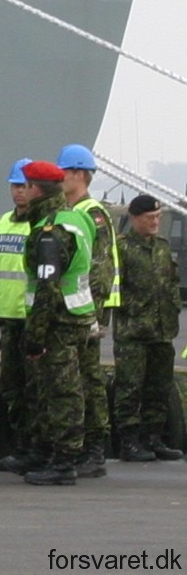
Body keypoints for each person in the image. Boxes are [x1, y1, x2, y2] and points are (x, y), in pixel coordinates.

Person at [17, 160, 97, 486]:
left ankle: (64, 461)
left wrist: (34, 335)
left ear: (36, 190)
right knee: (67, 388)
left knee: (62, 391)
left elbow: (48, 286)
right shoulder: (77, 218)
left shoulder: (50, 232)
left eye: (25, 186)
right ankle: (56, 453)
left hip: (59, 321)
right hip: (77, 316)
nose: (22, 192)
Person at [57, 144, 120, 476]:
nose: (59, 178)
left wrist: (93, 314)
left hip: (86, 311)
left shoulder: (91, 212)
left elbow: (99, 267)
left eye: (64, 173)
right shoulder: (71, 210)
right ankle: (80, 445)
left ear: (80, 175)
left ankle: (95, 447)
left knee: (89, 378)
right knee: (75, 378)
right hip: (76, 310)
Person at [115, 194, 183, 462]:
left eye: (158, 217)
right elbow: (113, 287)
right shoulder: (121, 249)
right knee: (129, 388)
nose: (155, 222)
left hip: (162, 330)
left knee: (159, 386)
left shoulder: (163, 247)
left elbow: (171, 283)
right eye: (149, 218)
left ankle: (153, 438)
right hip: (133, 331)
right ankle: (128, 442)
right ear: (134, 218)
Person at [0, 159, 39, 471]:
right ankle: (20, 448)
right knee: (13, 386)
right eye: (15, 186)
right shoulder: (2, 223)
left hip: (32, 317)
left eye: (24, 186)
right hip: (9, 318)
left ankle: (35, 448)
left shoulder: (42, 223)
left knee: (35, 389)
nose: (19, 192)